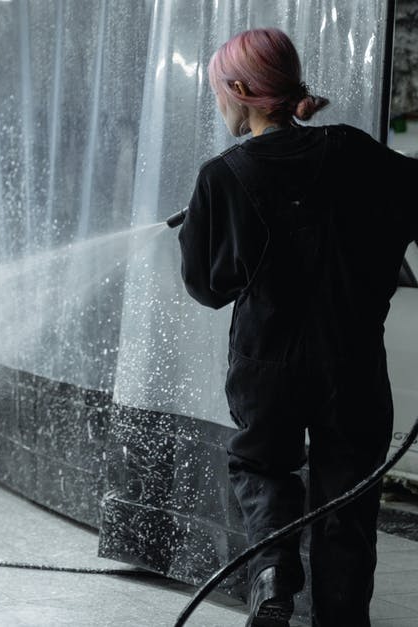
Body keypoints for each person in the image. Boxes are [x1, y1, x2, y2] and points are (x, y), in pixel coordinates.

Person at [178, 27, 418, 627]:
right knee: (348, 496)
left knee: (263, 468)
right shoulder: (355, 151)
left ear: (238, 89)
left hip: (267, 362)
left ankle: (273, 577)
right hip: (353, 360)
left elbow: (208, 288)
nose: (220, 106)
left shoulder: (221, 176)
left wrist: (206, 224)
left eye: (220, 94)